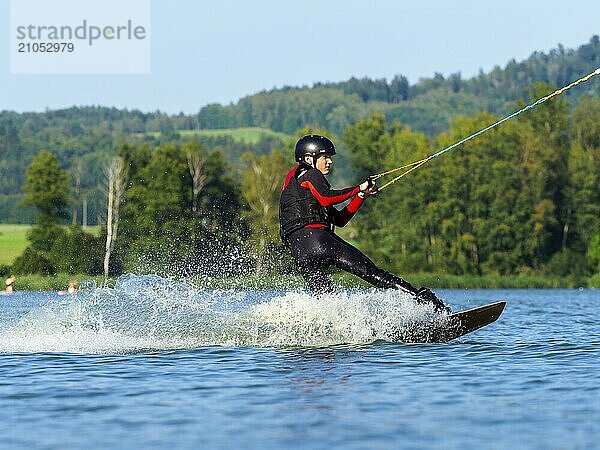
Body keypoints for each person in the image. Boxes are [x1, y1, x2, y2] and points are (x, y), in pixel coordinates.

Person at [279, 134, 451, 313]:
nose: (329, 161)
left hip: (300, 251)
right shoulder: (311, 173)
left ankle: (340, 332)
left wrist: (361, 196)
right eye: (325, 157)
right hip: (319, 239)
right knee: (374, 274)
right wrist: (358, 188)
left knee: (327, 301)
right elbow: (326, 198)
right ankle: (427, 303)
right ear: (309, 158)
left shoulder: (297, 185)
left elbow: (339, 220)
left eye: (331, 157)